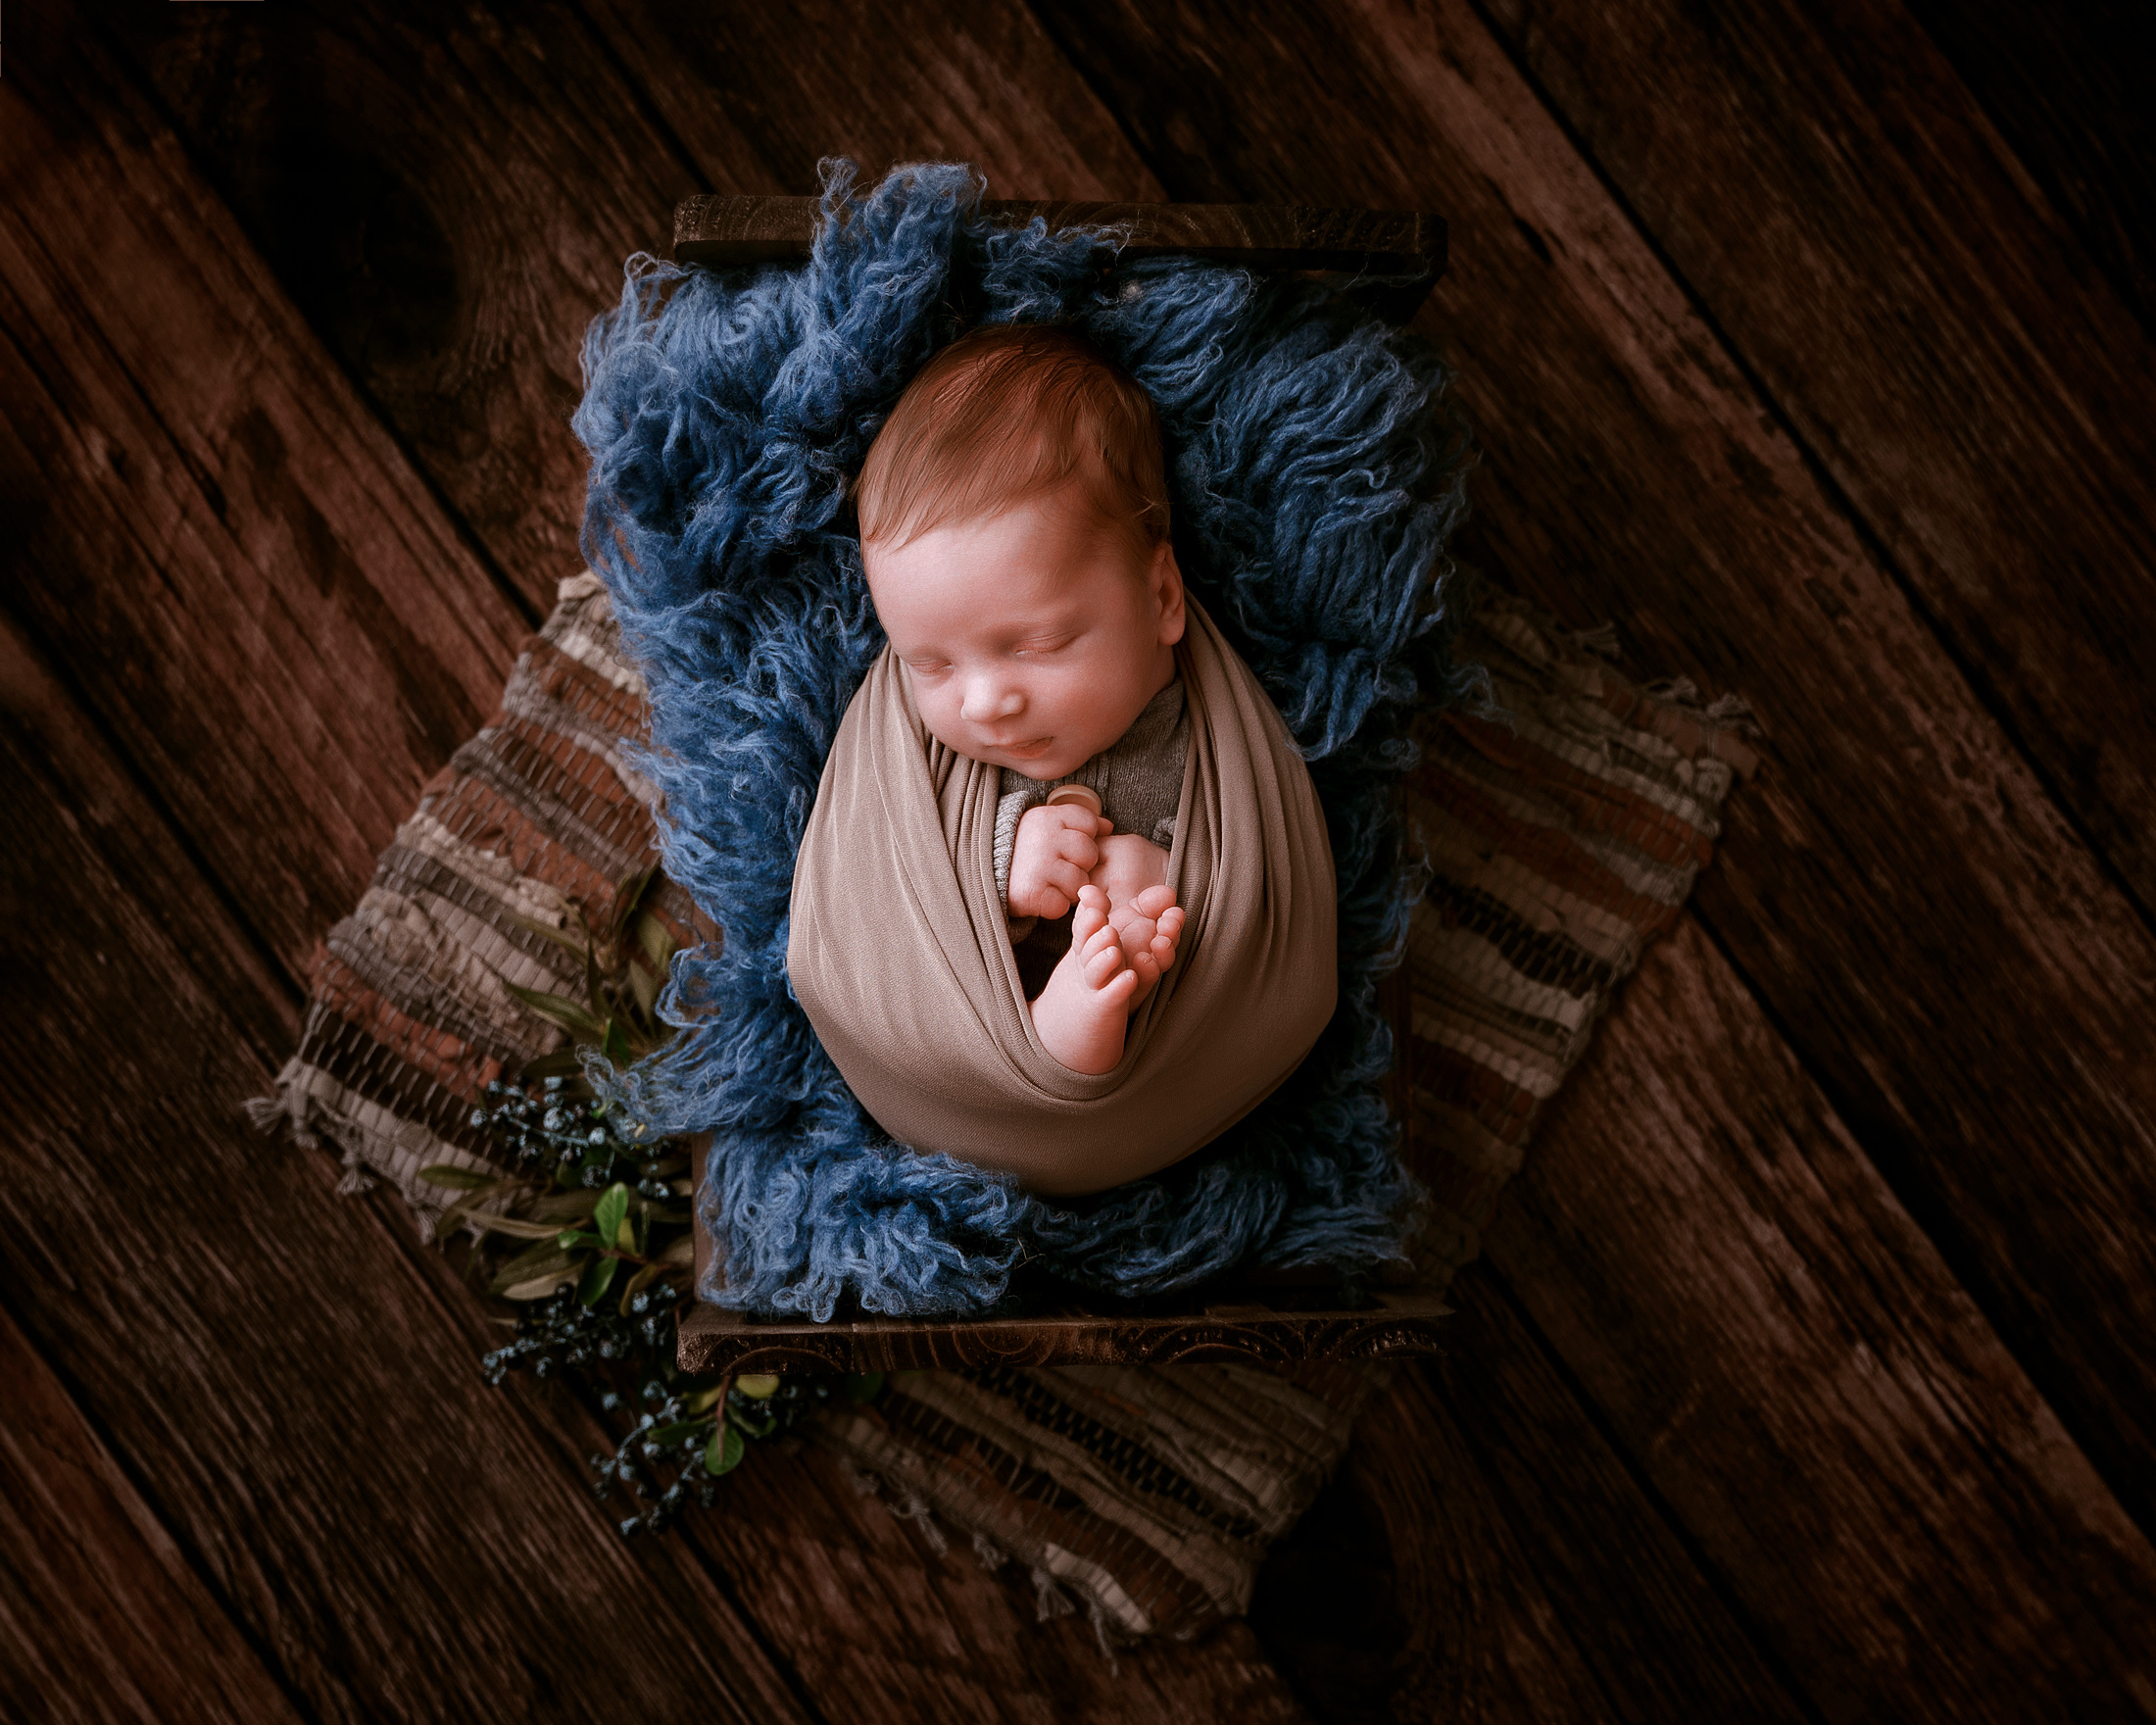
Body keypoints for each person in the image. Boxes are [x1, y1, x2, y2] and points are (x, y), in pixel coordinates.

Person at [853, 322, 1197, 1074]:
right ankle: (1055, 1034)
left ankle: (1091, 1010)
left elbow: (1259, 870)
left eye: (1035, 644)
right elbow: (889, 878)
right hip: (957, 1037)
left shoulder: (1212, 743)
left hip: (1183, 1051)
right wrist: (1001, 861)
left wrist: (1170, 869)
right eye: (930, 663)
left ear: (1162, 595)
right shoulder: (938, 759)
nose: (982, 704)